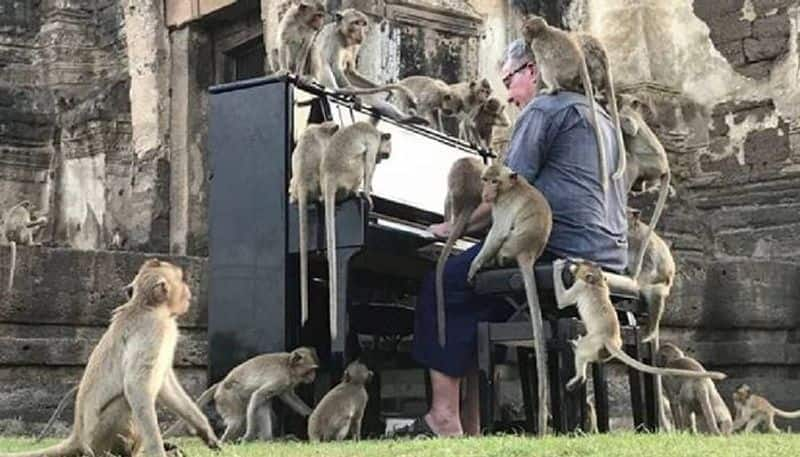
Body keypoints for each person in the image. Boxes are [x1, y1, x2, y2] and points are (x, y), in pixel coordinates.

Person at [399, 39, 628, 437]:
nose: (507, 93)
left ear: (533, 71)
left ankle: (443, 416)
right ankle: (470, 422)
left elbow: (503, 192)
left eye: (509, 79)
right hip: (607, 255)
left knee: (444, 280)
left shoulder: (544, 108)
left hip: (560, 250)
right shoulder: (603, 118)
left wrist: (452, 228)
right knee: (476, 290)